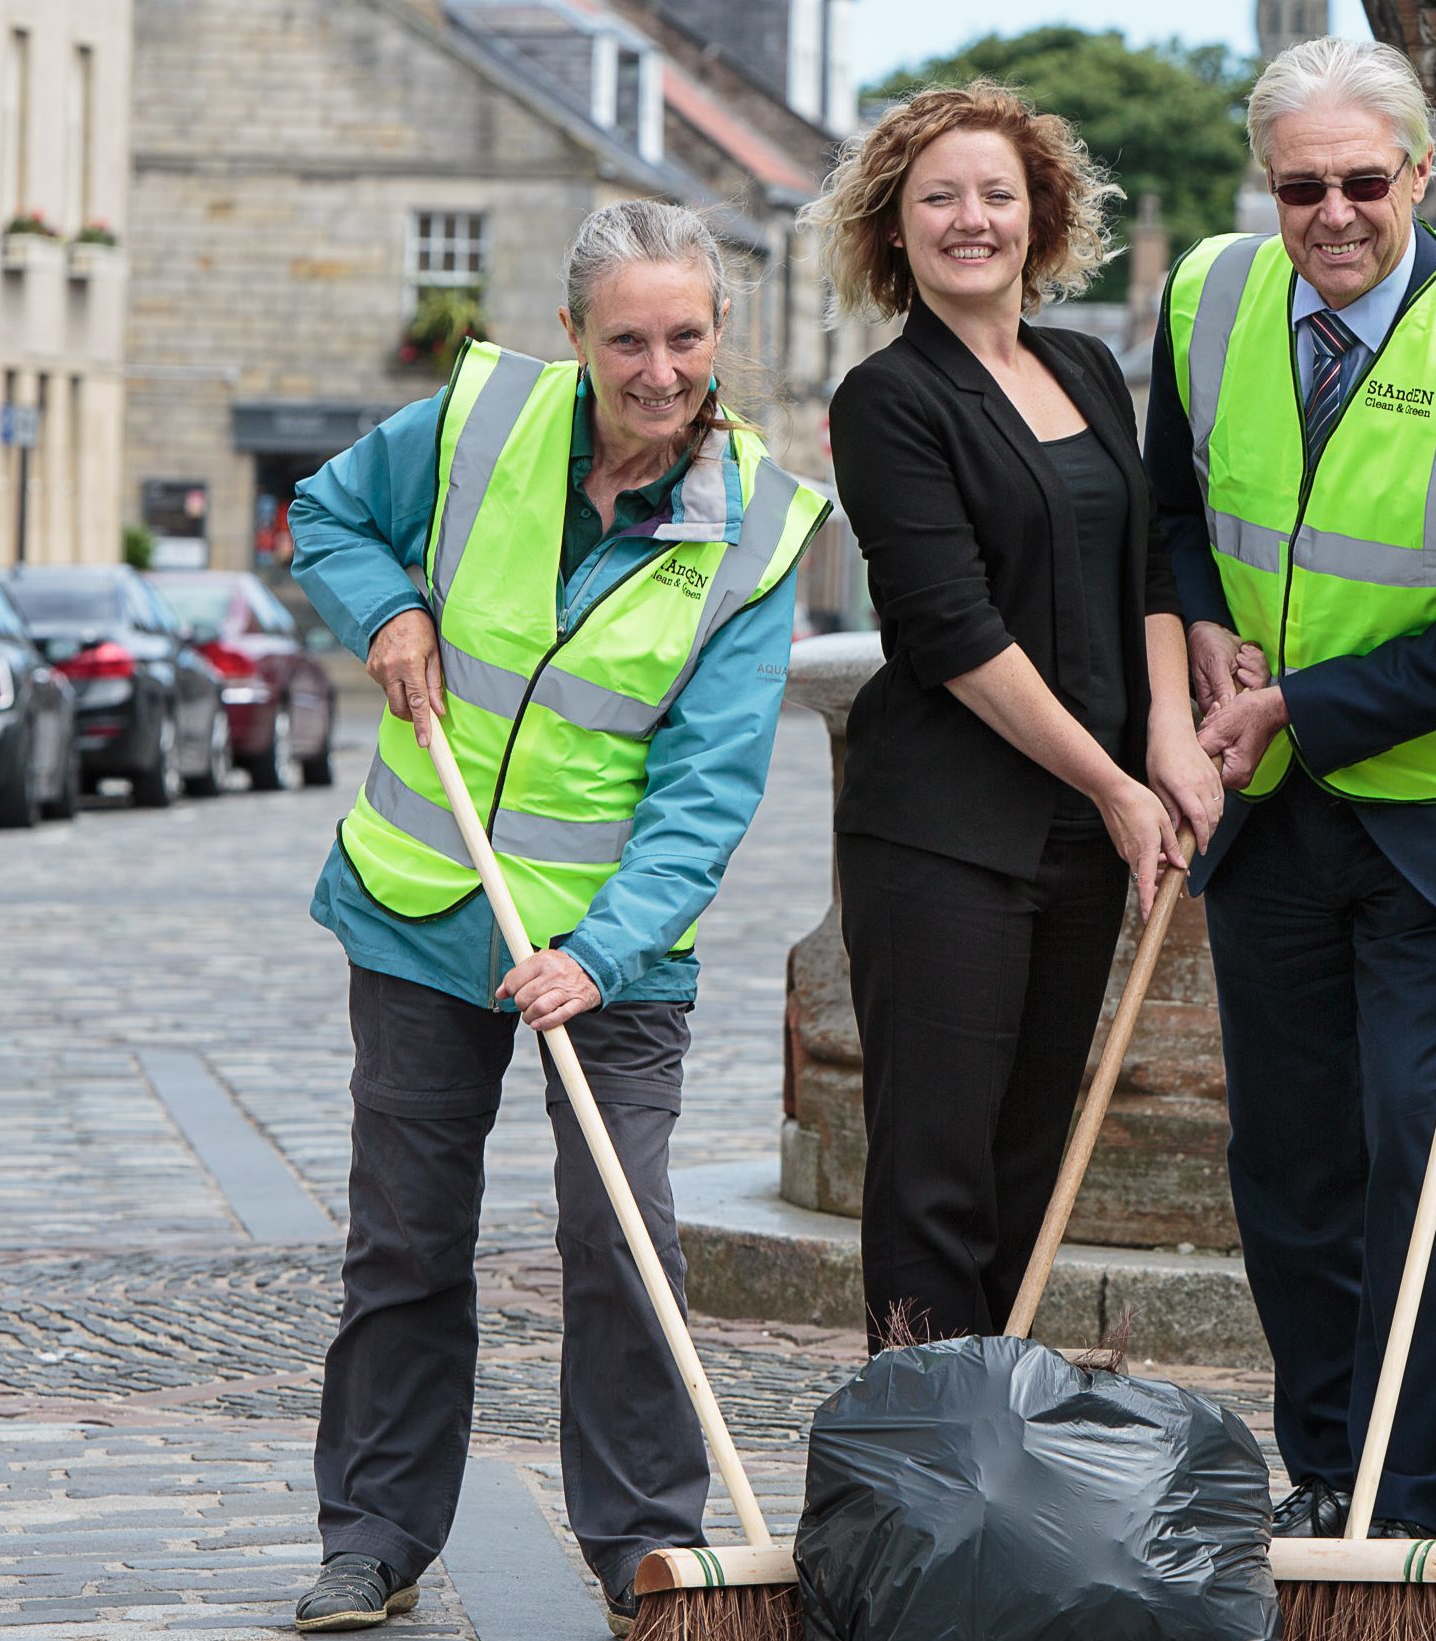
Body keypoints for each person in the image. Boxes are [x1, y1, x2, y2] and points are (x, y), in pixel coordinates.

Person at [287, 199, 824, 1636]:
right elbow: (328, 514)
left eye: (690, 338)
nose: (663, 371)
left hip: (615, 953)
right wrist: (387, 609)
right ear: (577, 336)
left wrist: (597, 952)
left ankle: (646, 1545)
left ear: (724, 336)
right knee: (404, 1239)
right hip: (422, 908)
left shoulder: (758, 528)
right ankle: (374, 1538)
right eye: (631, 339)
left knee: (623, 1237)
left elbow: (707, 793)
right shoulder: (479, 425)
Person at [1145, 36, 1436, 1541]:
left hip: (1424, 824)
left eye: (1359, 181)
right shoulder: (1205, 295)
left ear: (1419, 174)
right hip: (1262, 818)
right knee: (1286, 1157)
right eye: (1299, 186)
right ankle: (1323, 1461)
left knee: (1414, 1141)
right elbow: (1171, 506)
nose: (1331, 213)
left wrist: (1294, 708)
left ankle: (1409, 1498)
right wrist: (1200, 618)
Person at [807, 83, 1222, 1351]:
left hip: (1075, 836)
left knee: (1028, 1167)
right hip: (942, 838)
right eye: (938, 197)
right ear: (894, 228)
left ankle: (1005, 1449)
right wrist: (1113, 784)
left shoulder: (1088, 364)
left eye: (997, 194)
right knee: (936, 1173)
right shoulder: (886, 402)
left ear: (1042, 216)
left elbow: (1148, 571)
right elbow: (950, 633)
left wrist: (1163, 739)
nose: (970, 219)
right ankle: (922, 1467)